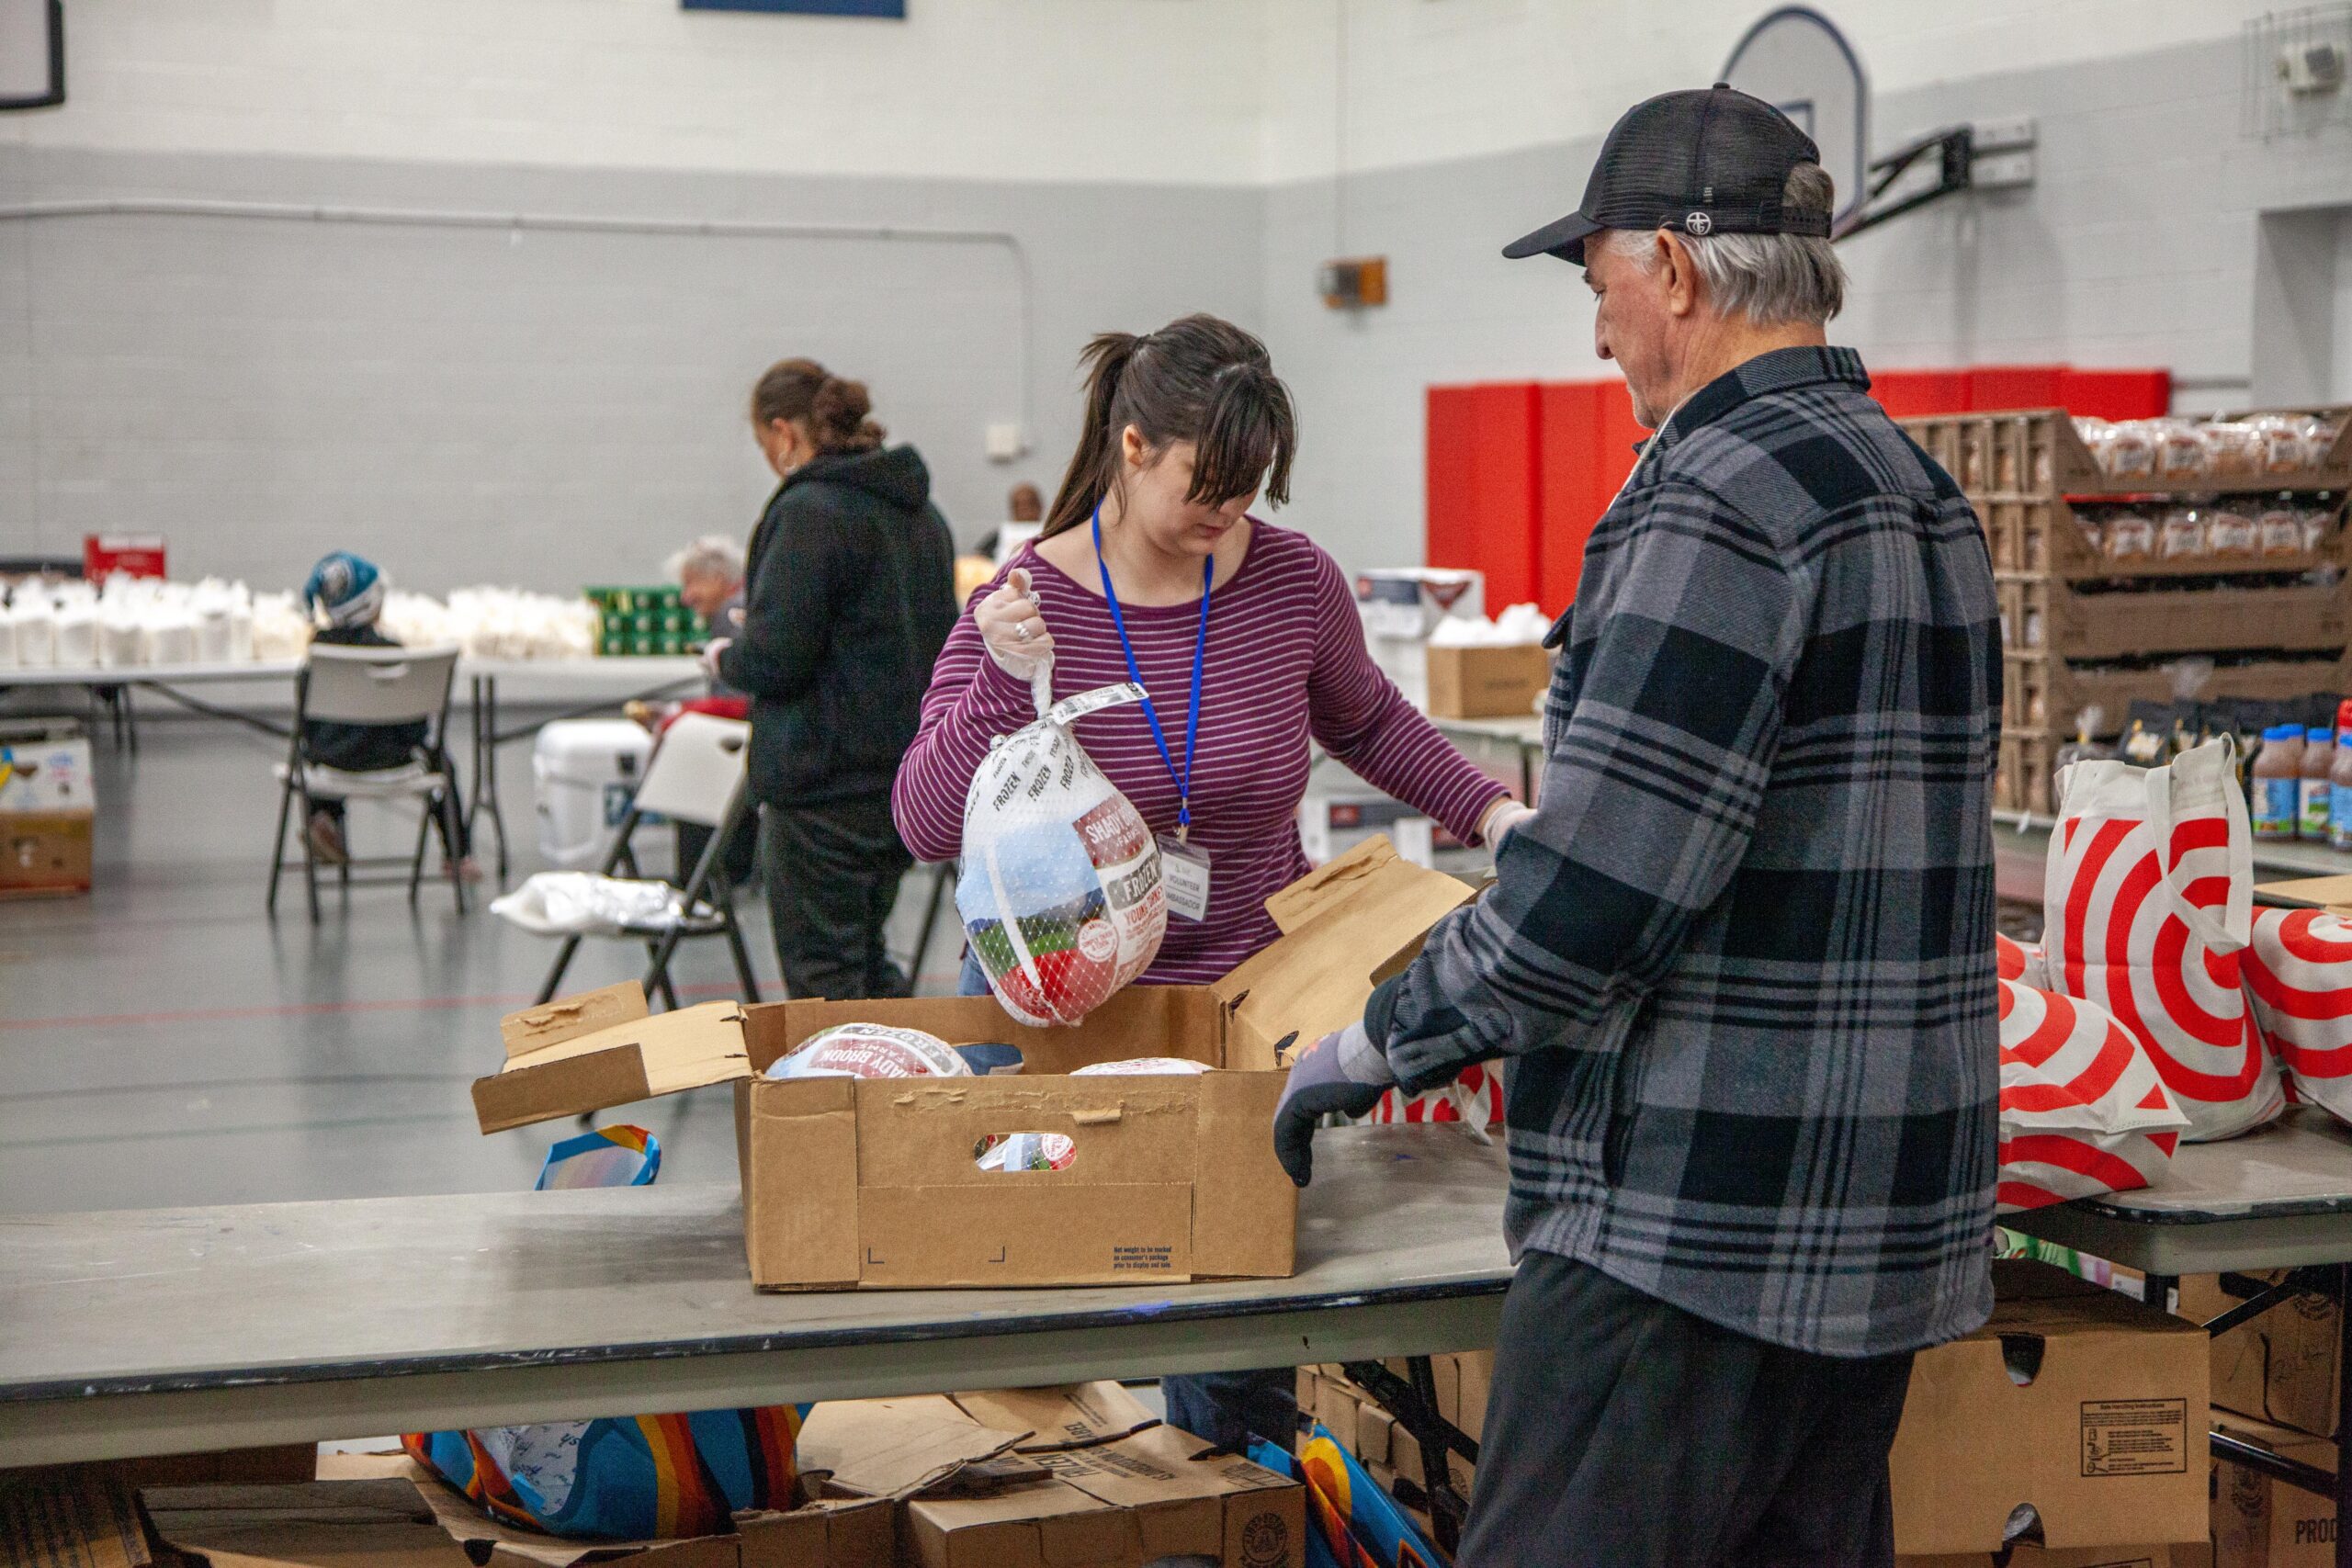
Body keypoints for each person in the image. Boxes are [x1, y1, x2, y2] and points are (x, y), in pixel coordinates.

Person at [1271, 86, 2002, 1567]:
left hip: (1691, 1238)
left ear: (1672, 268)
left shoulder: (1716, 501)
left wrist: (1377, 1038)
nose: (1598, 335)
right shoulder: (1920, 492)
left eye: (1600, 289)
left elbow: (1593, 896)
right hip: (1881, 1230)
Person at [892, 313, 1532, 1452]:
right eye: (1206, 483)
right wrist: (1001, 677)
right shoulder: (1027, 600)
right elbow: (926, 820)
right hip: (1057, 1025)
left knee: (1238, 1345)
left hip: (1240, 1012)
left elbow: (1371, 722)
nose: (1226, 514)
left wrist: (1492, 811)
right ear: (1133, 448)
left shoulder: (1289, 583)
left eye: (1250, 490)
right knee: (1032, 1332)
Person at [712, 360, 956, 1000]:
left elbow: (776, 658)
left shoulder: (807, 512)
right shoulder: (920, 512)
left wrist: (725, 657)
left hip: (823, 789)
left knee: (826, 983)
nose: (771, 461)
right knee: (869, 963)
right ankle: (902, 1090)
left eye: (768, 447)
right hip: (903, 783)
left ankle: (854, 1092)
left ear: (786, 433)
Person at [296, 550, 473, 878]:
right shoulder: (391, 654)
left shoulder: (318, 661)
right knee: (440, 761)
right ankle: (458, 856)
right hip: (394, 761)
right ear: (371, 603)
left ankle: (324, 817)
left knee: (317, 753)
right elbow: (416, 727)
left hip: (332, 768)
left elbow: (307, 727)